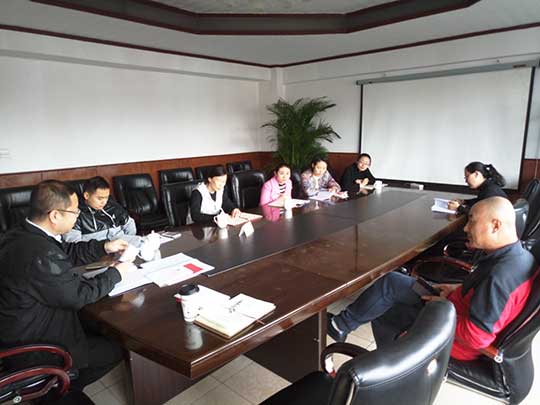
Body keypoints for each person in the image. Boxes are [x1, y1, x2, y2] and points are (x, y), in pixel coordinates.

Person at [327, 197, 537, 361]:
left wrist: (443, 307)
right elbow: (485, 294)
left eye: (472, 221)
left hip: (451, 332)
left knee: (387, 308)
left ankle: (395, 366)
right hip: (453, 304)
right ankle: (340, 325)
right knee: (392, 281)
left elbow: (477, 337)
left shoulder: (499, 277)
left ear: (495, 226)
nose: (466, 228)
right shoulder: (518, 256)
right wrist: (457, 289)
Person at [0, 180, 134, 398]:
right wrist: (116, 273)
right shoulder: (40, 254)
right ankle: (60, 387)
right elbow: (79, 295)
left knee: (99, 325)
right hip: (36, 344)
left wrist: (103, 246)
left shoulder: (24, 232)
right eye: (74, 211)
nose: (78, 215)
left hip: (21, 323)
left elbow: (65, 252)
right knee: (117, 348)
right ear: (55, 215)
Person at [63, 176, 140, 245]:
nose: (104, 202)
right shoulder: (75, 214)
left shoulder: (113, 206)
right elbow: (74, 244)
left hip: (121, 244)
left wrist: (128, 243)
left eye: (106, 197)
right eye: (100, 198)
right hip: (96, 250)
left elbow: (129, 223)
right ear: (86, 195)